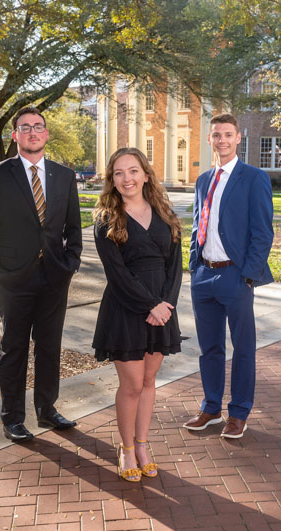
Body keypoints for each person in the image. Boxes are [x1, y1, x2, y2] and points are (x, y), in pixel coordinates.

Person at [0, 106, 82, 442]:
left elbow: (74, 227)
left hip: (54, 276)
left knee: (49, 346)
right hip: (12, 278)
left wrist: (71, 264)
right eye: (25, 128)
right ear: (15, 135)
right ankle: (12, 418)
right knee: (15, 347)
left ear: (46, 133)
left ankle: (47, 410)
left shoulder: (64, 176)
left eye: (38, 127)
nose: (33, 132)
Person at [92, 148, 183, 482]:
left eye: (133, 171)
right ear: (112, 180)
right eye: (119, 173)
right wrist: (150, 306)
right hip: (126, 310)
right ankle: (126, 448)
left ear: (146, 174)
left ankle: (143, 445)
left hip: (162, 310)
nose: (126, 178)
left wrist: (166, 306)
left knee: (148, 381)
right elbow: (117, 275)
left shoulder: (165, 213)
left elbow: (175, 266)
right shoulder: (106, 220)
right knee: (130, 385)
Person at [184, 113, 274, 439]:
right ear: (210, 139)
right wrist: (194, 267)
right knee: (209, 348)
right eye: (216, 135)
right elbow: (198, 225)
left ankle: (238, 413)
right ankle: (210, 408)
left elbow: (263, 233)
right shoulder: (203, 180)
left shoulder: (253, 178)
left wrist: (248, 275)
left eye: (227, 135)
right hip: (203, 276)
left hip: (235, 277)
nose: (221, 140)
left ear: (238, 138)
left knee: (243, 348)